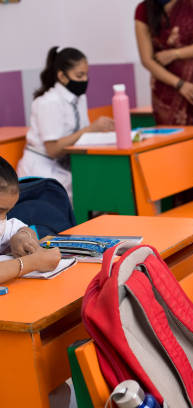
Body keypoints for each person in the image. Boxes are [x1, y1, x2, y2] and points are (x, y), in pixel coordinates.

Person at [17, 47, 114, 200]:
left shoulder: (79, 98)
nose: (84, 80)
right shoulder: (48, 103)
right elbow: (53, 149)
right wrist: (90, 129)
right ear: (62, 76)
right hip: (42, 170)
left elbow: (82, 137)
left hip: (66, 166)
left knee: (103, 184)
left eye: (86, 75)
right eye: (79, 75)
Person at [134, 0, 193, 125]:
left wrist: (174, 54)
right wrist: (179, 84)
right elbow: (147, 60)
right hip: (166, 88)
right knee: (170, 137)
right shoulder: (144, 9)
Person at [0, 157, 61, 285]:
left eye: (7, 212)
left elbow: (21, 228)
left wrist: (22, 236)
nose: (3, 219)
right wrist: (33, 262)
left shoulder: (2, 224)